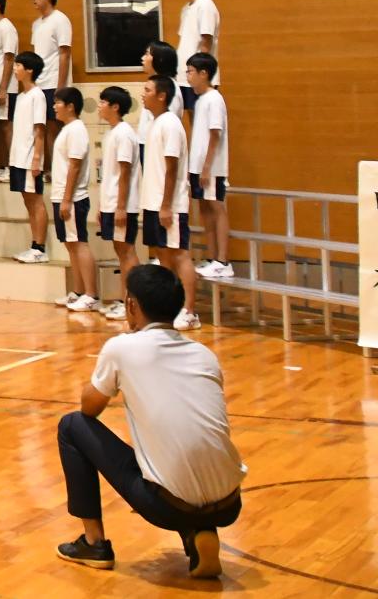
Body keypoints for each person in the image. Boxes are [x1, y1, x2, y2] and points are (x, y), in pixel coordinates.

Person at [54, 264, 244, 578]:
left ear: (132, 305)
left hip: (168, 507)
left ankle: (94, 543)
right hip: (229, 503)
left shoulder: (122, 348)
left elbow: (89, 409)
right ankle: (199, 534)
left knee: (72, 426)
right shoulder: (204, 354)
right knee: (181, 455)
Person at [138, 75, 199, 330]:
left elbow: (172, 168)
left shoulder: (171, 124)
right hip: (153, 201)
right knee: (163, 257)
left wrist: (166, 205)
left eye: (148, 89)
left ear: (161, 95)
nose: (143, 93)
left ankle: (190, 311)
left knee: (180, 255)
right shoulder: (156, 123)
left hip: (170, 205)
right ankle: (170, 307)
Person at [95, 85, 141, 321]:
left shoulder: (124, 133)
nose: (99, 106)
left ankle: (132, 303)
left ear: (116, 107)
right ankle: (127, 301)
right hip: (111, 203)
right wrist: (103, 207)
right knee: (120, 250)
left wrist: (121, 206)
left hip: (122, 204)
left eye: (104, 102)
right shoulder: (112, 133)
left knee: (127, 251)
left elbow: (125, 172)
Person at [50, 89, 98, 312]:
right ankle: (78, 291)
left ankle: (91, 294)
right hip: (61, 195)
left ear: (70, 106)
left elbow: (75, 164)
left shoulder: (77, 130)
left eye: (58, 102)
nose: (54, 106)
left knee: (79, 243)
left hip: (73, 197)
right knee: (70, 244)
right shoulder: (67, 130)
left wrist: (67, 199)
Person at [185, 54, 232, 281]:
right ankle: (213, 257)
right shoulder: (200, 99)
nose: (188, 76)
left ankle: (223, 261)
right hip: (198, 166)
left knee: (217, 208)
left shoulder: (215, 99)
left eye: (191, 71)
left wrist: (207, 167)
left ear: (204, 73)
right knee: (205, 211)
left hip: (212, 168)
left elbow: (215, 134)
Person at [9, 52, 51, 264]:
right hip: (18, 157)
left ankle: (40, 247)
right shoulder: (21, 96)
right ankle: (33, 244)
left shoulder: (38, 95)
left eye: (18, 65)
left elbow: (40, 130)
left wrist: (37, 158)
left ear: (30, 70)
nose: (15, 69)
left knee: (35, 200)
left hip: (30, 157)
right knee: (27, 200)